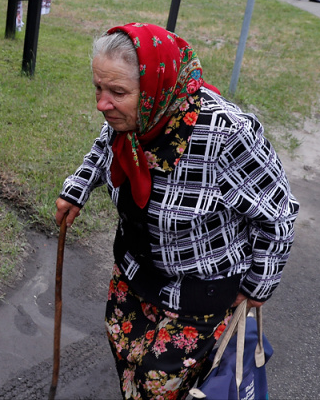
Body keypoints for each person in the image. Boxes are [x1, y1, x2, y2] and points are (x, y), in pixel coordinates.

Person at [55, 22, 298, 400]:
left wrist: (257, 287)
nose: (102, 104)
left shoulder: (226, 133)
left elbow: (278, 215)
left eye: (117, 92)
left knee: (158, 382)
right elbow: (106, 146)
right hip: (135, 274)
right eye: (98, 88)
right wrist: (78, 189)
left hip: (199, 294)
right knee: (128, 357)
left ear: (157, 89)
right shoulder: (133, 118)